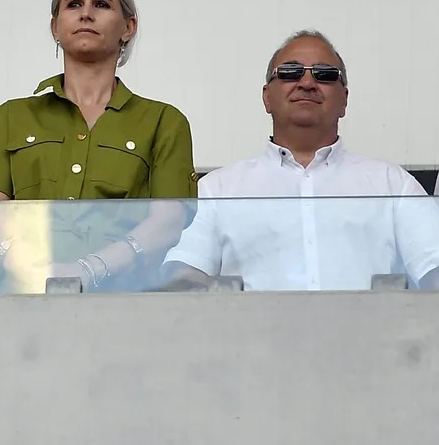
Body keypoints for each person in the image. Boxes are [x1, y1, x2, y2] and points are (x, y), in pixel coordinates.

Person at [0, 0, 197, 292]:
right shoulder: (11, 116)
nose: (86, 14)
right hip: (17, 300)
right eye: (74, 4)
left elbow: (167, 223)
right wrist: (33, 270)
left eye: (101, 4)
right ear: (55, 26)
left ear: (128, 27)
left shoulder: (164, 122)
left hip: (123, 301)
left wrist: (89, 269)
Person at [163, 30, 439, 291]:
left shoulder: (394, 184)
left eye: (325, 75)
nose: (307, 83)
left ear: (344, 100)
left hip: (373, 327)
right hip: (251, 327)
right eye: (290, 72)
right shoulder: (216, 190)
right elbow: (184, 278)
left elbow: (434, 271)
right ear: (267, 97)